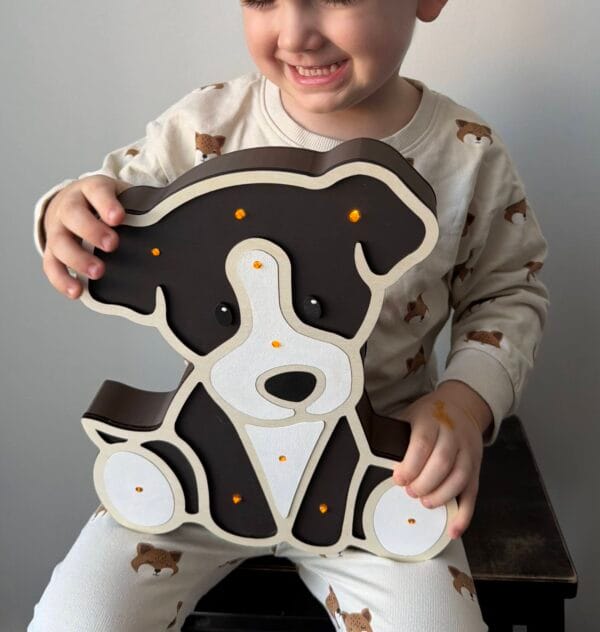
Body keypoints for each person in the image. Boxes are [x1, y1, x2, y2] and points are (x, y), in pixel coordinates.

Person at [29, 1, 549, 630]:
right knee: (77, 618)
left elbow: (506, 292)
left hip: (379, 477)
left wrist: (464, 403)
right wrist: (66, 214)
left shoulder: (467, 152)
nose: (296, 34)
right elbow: (109, 204)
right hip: (197, 475)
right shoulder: (204, 126)